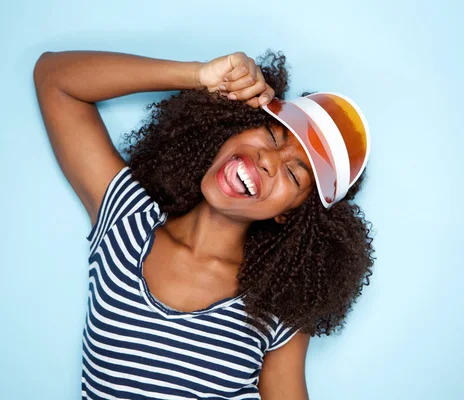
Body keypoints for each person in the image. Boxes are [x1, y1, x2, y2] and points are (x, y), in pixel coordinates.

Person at [33, 49, 374, 399]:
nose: (268, 160)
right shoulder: (127, 220)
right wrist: (200, 76)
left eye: (292, 173)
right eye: (272, 136)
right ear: (236, 127)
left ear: (288, 214)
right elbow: (55, 79)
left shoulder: (276, 305)